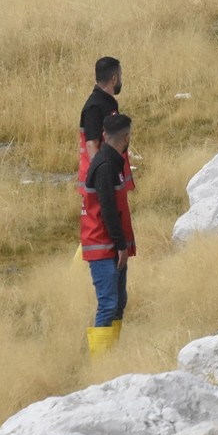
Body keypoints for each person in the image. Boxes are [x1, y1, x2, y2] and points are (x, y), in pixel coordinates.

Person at [81, 112, 136, 357]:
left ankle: (111, 355)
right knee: (108, 304)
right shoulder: (106, 166)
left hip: (110, 246)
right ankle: (100, 361)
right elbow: (108, 210)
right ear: (125, 138)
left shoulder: (112, 161)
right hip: (103, 247)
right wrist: (121, 245)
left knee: (118, 302)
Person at [79, 57, 133, 196]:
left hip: (112, 176)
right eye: (120, 77)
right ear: (114, 79)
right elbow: (92, 144)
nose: (121, 80)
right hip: (101, 185)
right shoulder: (94, 107)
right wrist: (102, 178)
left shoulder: (109, 102)